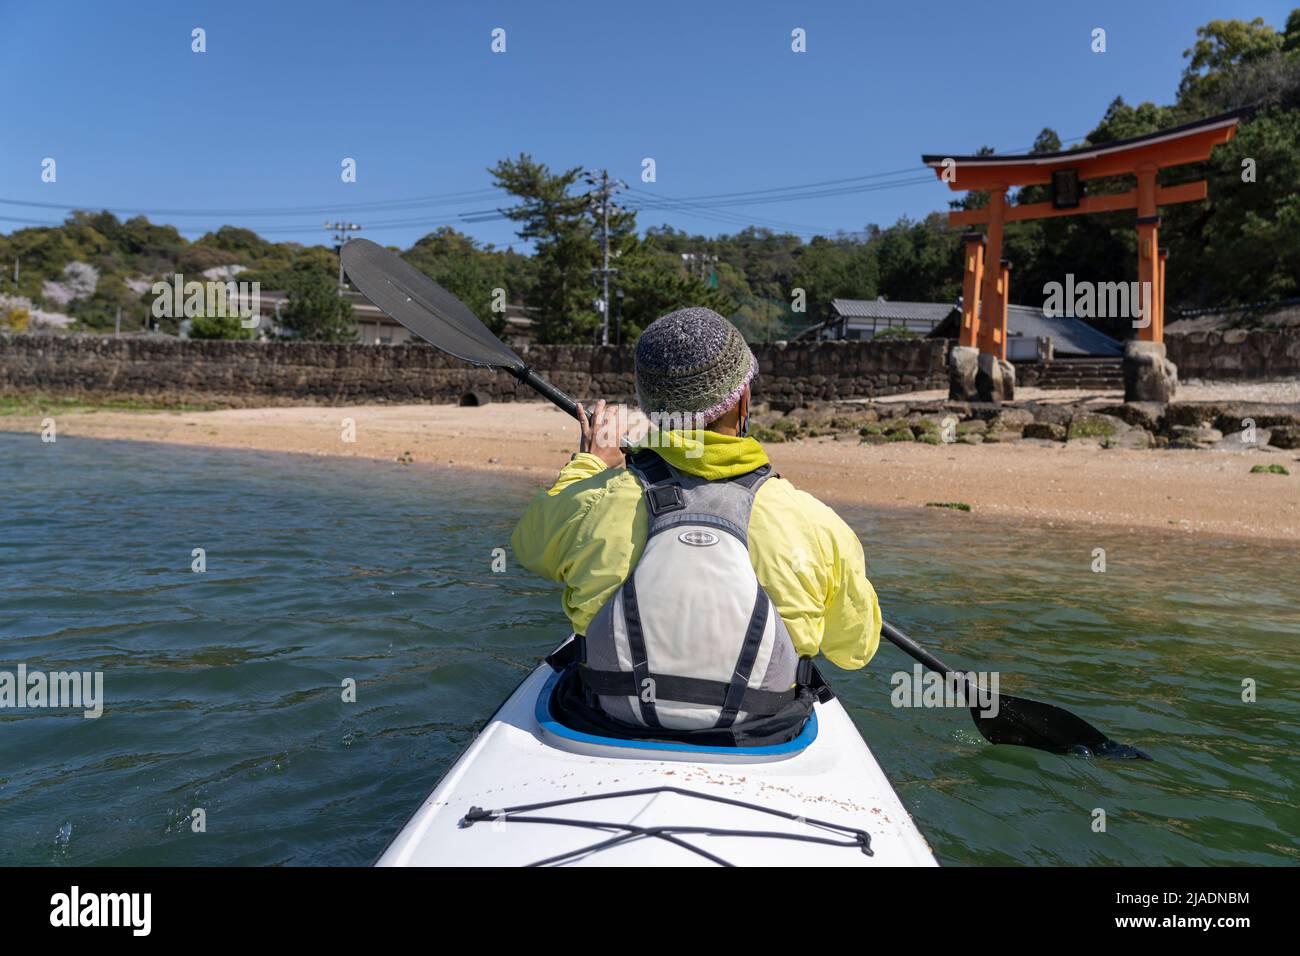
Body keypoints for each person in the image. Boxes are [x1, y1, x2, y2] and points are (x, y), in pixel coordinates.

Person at [511, 307, 882, 742]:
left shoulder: (592, 498)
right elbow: (854, 650)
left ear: (650, 407)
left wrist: (588, 465)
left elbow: (528, 546)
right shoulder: (814, 523)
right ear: (743, 399)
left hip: (607, 717)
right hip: (762, 733)